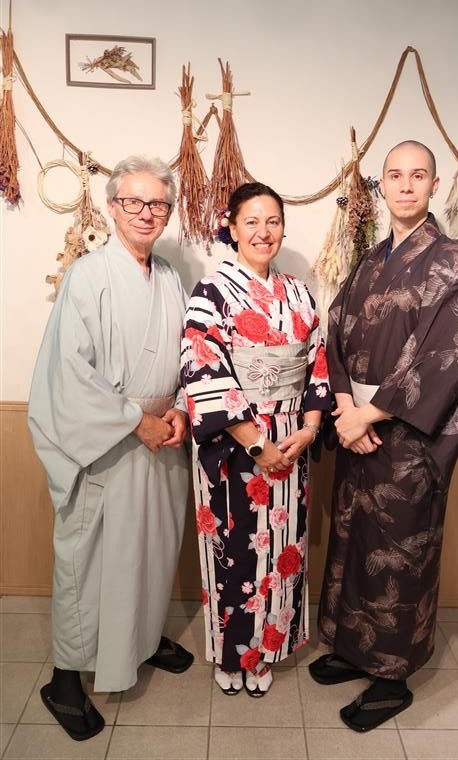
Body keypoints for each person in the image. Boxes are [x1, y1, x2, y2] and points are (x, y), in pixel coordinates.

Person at [309, 141, 458, 732]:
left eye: (418, 175)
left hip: (407, 438)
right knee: (353, 540)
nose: (406, 185)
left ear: (435, 185)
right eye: (395, 175)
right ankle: (351, 647)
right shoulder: (368, 261)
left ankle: (391, 676)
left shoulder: (454, 264)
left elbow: (454, 353)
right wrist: (344, 405)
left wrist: (372, 414)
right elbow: (334, 332)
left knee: (400, 550)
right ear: (382, 185)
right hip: (355, 424)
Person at [28, 155, 194, 741]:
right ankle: (65, 679)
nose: (146, 213)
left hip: (163, 438)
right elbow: (69, 371)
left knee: (150, 551)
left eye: (158, 204)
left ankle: (140, 641)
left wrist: (179, 408)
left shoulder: (170, 277)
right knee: (91, 557)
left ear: (169, 212)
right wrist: (133, 421)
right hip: (109, 440)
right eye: (133, 202)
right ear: (112, 207)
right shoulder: (88, 275)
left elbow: (189, 355)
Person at [180, 182, 330, 697]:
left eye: (273, 222)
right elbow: (204, 371)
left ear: (283, 227)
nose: (263, 232)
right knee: (235, 552)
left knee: (283, 549)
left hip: (292, 441)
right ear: (232, 227)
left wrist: (310, 428)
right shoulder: (211, 291)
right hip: (235, 446)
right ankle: (231, 653)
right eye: (252, 222)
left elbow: (317, 363)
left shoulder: (300, 292)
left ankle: (267, 651)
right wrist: (255, 444)